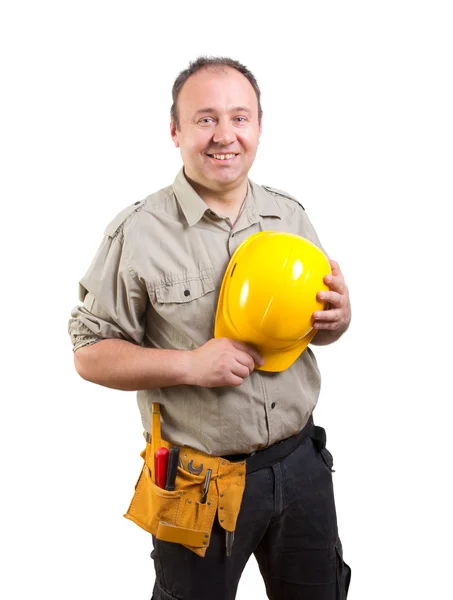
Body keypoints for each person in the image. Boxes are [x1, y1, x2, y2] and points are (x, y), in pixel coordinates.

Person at [69, 56, 352, 600]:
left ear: (259, 127)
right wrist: (190, 365)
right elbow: (88, 353)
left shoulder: (289, 217)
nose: (225, 135)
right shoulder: (138, 233)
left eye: (239, 117)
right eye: (205, 119)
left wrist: (339, 319)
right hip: (199, 482)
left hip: (300, 465)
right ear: (174, 131)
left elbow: (315, 331)